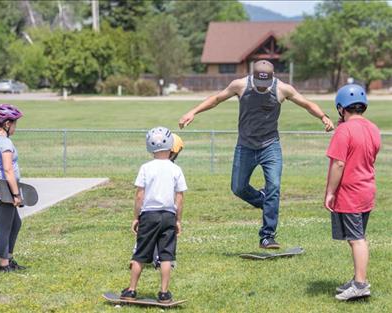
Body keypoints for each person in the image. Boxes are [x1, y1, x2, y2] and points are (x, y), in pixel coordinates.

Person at [179, 60, 334, 249]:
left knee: (274, 186)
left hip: (270, 146)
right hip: (245, 145)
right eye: (259, 85)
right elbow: (217, 99)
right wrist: (193, 112)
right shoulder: (240, 85)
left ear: (272, 77)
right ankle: (265, 201)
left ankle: (267, 236)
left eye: (265, 85)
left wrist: (323, 117)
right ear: (252, 77)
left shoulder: (282, 89)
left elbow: (306, 104)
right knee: (238, 187)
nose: (262, 89)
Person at [324, 84, 381, 301]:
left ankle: (360, 285)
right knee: (356, 237)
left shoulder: (344, 130)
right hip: (367, 189)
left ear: (341, 108)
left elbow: (339, 164)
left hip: (350, 193)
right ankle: (358, 277)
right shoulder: (373, 128)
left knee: (357, 239)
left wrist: (330, 192)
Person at [122, 127, 187, 303]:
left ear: (149, 146)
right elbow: (179, 198)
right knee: (166, 255)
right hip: (168, 215)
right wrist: (178, 220)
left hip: (149, 215)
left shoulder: (145, 168)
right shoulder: (176, 169)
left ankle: (131, 290)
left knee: (141, 254)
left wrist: (136, 217)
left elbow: (139, 195)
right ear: (172, 146)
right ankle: (164, 293)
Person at [0, 104, 25, 272]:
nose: (16, 127)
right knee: (5, 227)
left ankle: (8, 258)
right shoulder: (4, 142)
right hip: (3, 189)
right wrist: (16, 194)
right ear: (7, 124)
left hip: (2, 188)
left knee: (15, 223)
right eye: (15, 123)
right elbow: (8, 170)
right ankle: (3, 265)